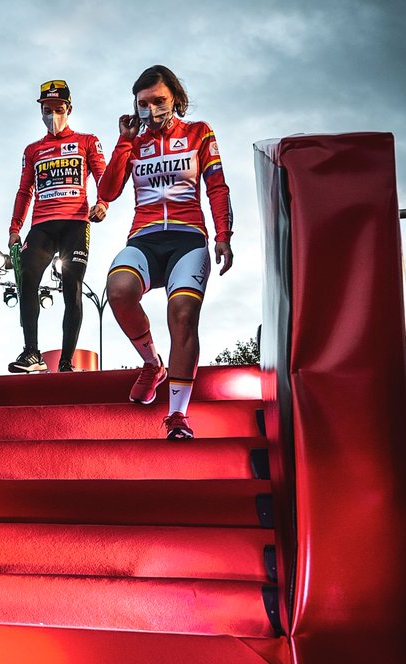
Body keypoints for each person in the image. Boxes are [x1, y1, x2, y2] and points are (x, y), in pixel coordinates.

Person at [96, 65, 233, 438]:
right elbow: (107, 192)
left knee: (182, 313)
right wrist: (123, 141)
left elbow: (217, 186)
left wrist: (224, 234)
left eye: (159, 101)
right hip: (145, 238)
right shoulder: (135, 142)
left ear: (175, 99)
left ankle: (177, 416)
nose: (151, 109)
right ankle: (151, 363)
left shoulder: (199, 133)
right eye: (143, 103)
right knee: (119, 291)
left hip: (188, 239)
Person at [8, 79, 108, 373]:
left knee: (71, 286)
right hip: (42, 224)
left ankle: (66, 361)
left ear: (69, 109)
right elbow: (24, 190)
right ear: (41, 110)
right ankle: (31, 354)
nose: (53, 114)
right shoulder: (33, 150)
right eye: (47, 109)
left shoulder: (87, 141)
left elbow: (103, 176)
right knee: (26, 277)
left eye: (58, 108)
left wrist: (103, 203)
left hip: (76, 223)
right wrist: (15, 227)